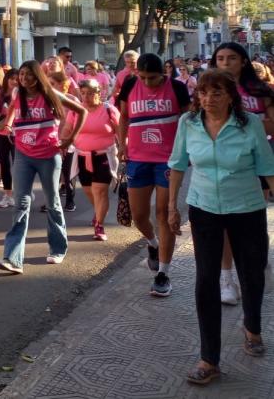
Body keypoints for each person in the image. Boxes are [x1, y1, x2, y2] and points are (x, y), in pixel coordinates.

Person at [166, 70, 274, 385]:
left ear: (230, 96)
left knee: (252, 275)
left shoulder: (249, 124)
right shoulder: (188, 124)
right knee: (205, 280)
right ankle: (209, 358)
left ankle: (252, 327)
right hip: (204, 209)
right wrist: (173, 207)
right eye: (203, 92)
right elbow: (177, 165)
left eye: (216, 93)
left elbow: (267, 167)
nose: (208, 99)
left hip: (247, 208)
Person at [0, 60, 86, 274]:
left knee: (53, 202)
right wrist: (8, 125)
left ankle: (58, 248)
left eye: (28, 75)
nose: (24, 78)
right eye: (22, 74)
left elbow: (82, 111)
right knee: (21, 203)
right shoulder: (18, 95)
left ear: (38, 77)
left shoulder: (50, 96)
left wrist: (69, 139)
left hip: (48, 155)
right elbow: (11, 114)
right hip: (23, 156)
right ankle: (13, 258)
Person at [116, 52, 191, 297]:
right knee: (138, 215)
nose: (148, 82)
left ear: (164, 73)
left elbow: (188, 119)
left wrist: (188, 150)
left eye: (153, 78)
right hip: (137, 159)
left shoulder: (177, 88)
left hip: (169, 160)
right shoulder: (129, 85)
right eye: (143, 77)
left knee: (164, 213)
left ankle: (163, 273)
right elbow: (124, 118)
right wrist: (121, 145)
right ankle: (152, 244)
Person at [211, 42, 274, 306]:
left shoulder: (260, 90)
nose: (225, 63)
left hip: (255, 162)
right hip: (220, 164)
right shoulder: (208, 91)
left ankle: (258, 259)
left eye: (232, 58)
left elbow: (272, 123)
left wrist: (247, 124)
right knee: (223, 222)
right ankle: (227, 279)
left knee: (251, 221)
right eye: (221, 58)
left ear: (244, 61)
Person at [67, 79, 119, 241]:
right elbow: (67, 130)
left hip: (103, 156)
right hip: (82, 156)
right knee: (89, 191)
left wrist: (125, 149)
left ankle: (99, 225)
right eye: (83, 93)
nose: (86, 97)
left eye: (90, 93)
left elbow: (121, 131)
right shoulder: (76, 111)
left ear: (99, 93)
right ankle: (98, 212)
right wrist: (61, 142)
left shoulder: (109, 110)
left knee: (100, 191)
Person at [48, 72, 79, 213]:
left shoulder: (71, 99)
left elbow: (80, 119)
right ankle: (50, 201)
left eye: (52, 84)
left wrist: (70, 138)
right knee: (50, 173)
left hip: (68, 141)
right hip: (51, 140)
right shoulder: (48, 99)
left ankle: (70, 200)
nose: (49, 86)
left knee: (67, 173)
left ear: (63, 84)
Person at [0, 69, 17, 209]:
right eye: (12, 78)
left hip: (18, 134)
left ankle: (24, 192)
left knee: (20, 165)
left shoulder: (22, 95)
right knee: (4, 164)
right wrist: (3, 120)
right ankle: (8, 195)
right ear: (6, 79)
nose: (14, 81)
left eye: (17, 79)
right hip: (1, 133)